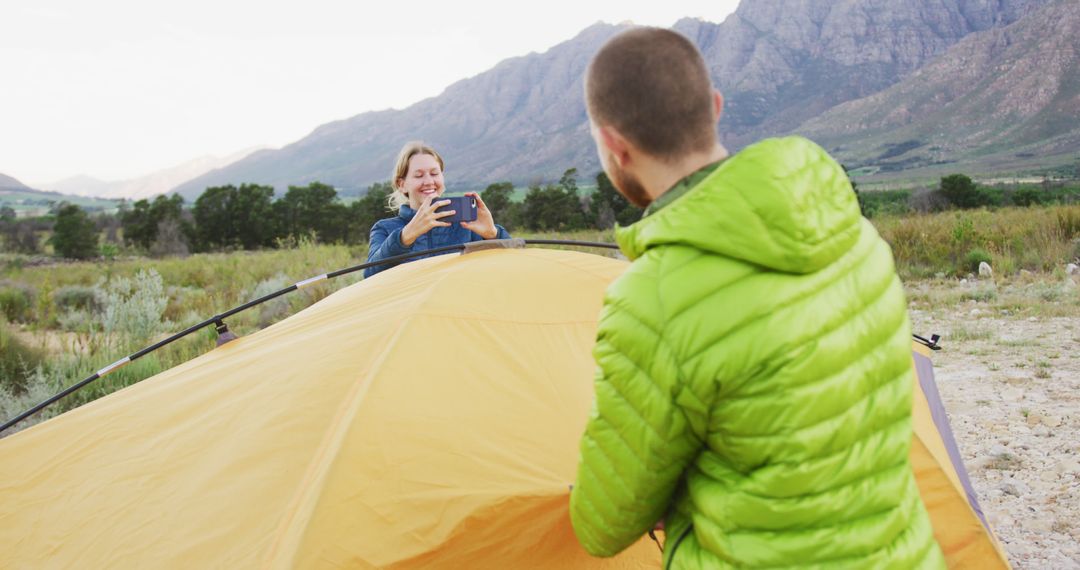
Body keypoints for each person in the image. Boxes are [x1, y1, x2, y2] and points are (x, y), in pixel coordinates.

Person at [568, 28, 945, 569]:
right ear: (716, 108)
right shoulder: (851, 230)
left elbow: (602, 525)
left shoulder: (653, 299)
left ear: (614, 146)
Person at [363, 142, 510, 278]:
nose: (429, 182)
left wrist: (493, 234)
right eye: (419, 175)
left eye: (434, 174)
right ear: (402, 185)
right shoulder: (384, 228)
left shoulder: (467, 225)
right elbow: (370, 275)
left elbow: (512, 263)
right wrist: (405, 236)